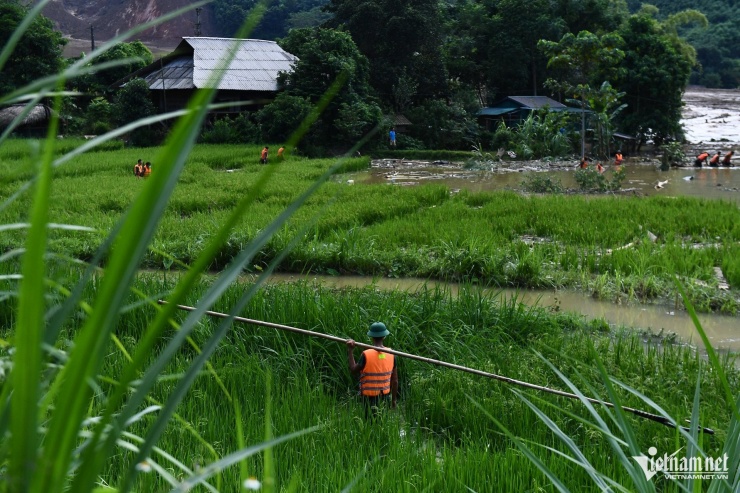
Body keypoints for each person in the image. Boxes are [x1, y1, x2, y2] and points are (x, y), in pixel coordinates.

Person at [346, 322, 398, 418]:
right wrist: (393, 400)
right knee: (382, 424)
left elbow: (353, 370)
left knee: (368, 424)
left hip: (368, 399)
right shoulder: (391, 354)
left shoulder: (366, 354)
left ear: (371, 337)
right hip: (385, 398)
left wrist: (350, 350)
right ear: (384, 337)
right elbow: (394, 381)